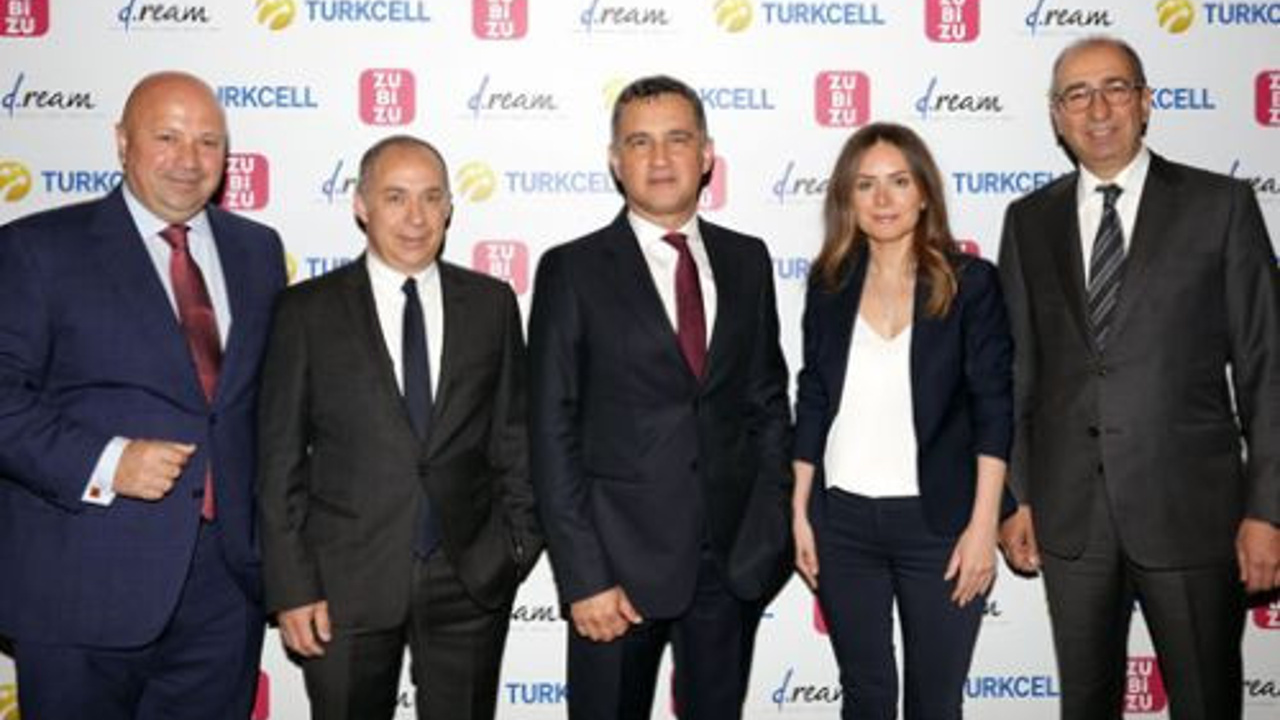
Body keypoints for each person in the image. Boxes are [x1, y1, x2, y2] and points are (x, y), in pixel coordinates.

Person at [998, 35, 1280, 719]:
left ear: (1146, 102)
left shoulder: (1221, 205)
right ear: (1056, 115)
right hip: (1070, 517)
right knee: (1085, 704)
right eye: (1077, 95)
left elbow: (1267, 367)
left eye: (1115, 88)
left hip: (1193, 514)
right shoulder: (1028, 221)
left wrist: (1268, 511)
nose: (1097, 109)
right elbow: (1018, 372)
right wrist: (1018, 496)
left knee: (1206, 701)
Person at [0, 71, 285, 719]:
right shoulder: (37, 248)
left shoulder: (258, 251)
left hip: (224, 592)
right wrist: (107, 462)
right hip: (81, 585)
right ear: (122, 142)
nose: (190, 159)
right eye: (167, 137)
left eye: (209, 141)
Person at [528, 75, 792, 719]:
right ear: (615, 161)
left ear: (706, 155)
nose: (660, 158)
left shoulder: (747, 260)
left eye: (677, 139)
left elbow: (766, 403)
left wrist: (767, 539)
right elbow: (550, 432)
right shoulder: (572, 269)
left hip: (730, 568)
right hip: (616, 573)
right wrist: (585, 577)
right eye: (639, 142)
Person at [256, 134, 542, 720]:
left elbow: (515, 439)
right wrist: (293, 586)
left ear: (449, 208)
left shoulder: (491, 304)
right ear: (361, 205)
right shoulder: (306, 311)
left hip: (469, 580)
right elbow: (278, 460)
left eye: (431, 197)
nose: (416, 217)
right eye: (395, 197)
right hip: (343, 586)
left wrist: (514, 548)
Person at [791, 122, 1014, 719]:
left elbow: (994, 407)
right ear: (848, 198)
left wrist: (983, 525)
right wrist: (799, 509)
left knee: (934, 703)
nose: (883, 199)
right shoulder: (829, 284)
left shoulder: (971, 284)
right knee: (865, 697)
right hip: (841, 523)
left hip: (940, 525)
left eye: (899, 181)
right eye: (866, 185)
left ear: (924, 194)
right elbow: (813, 396)